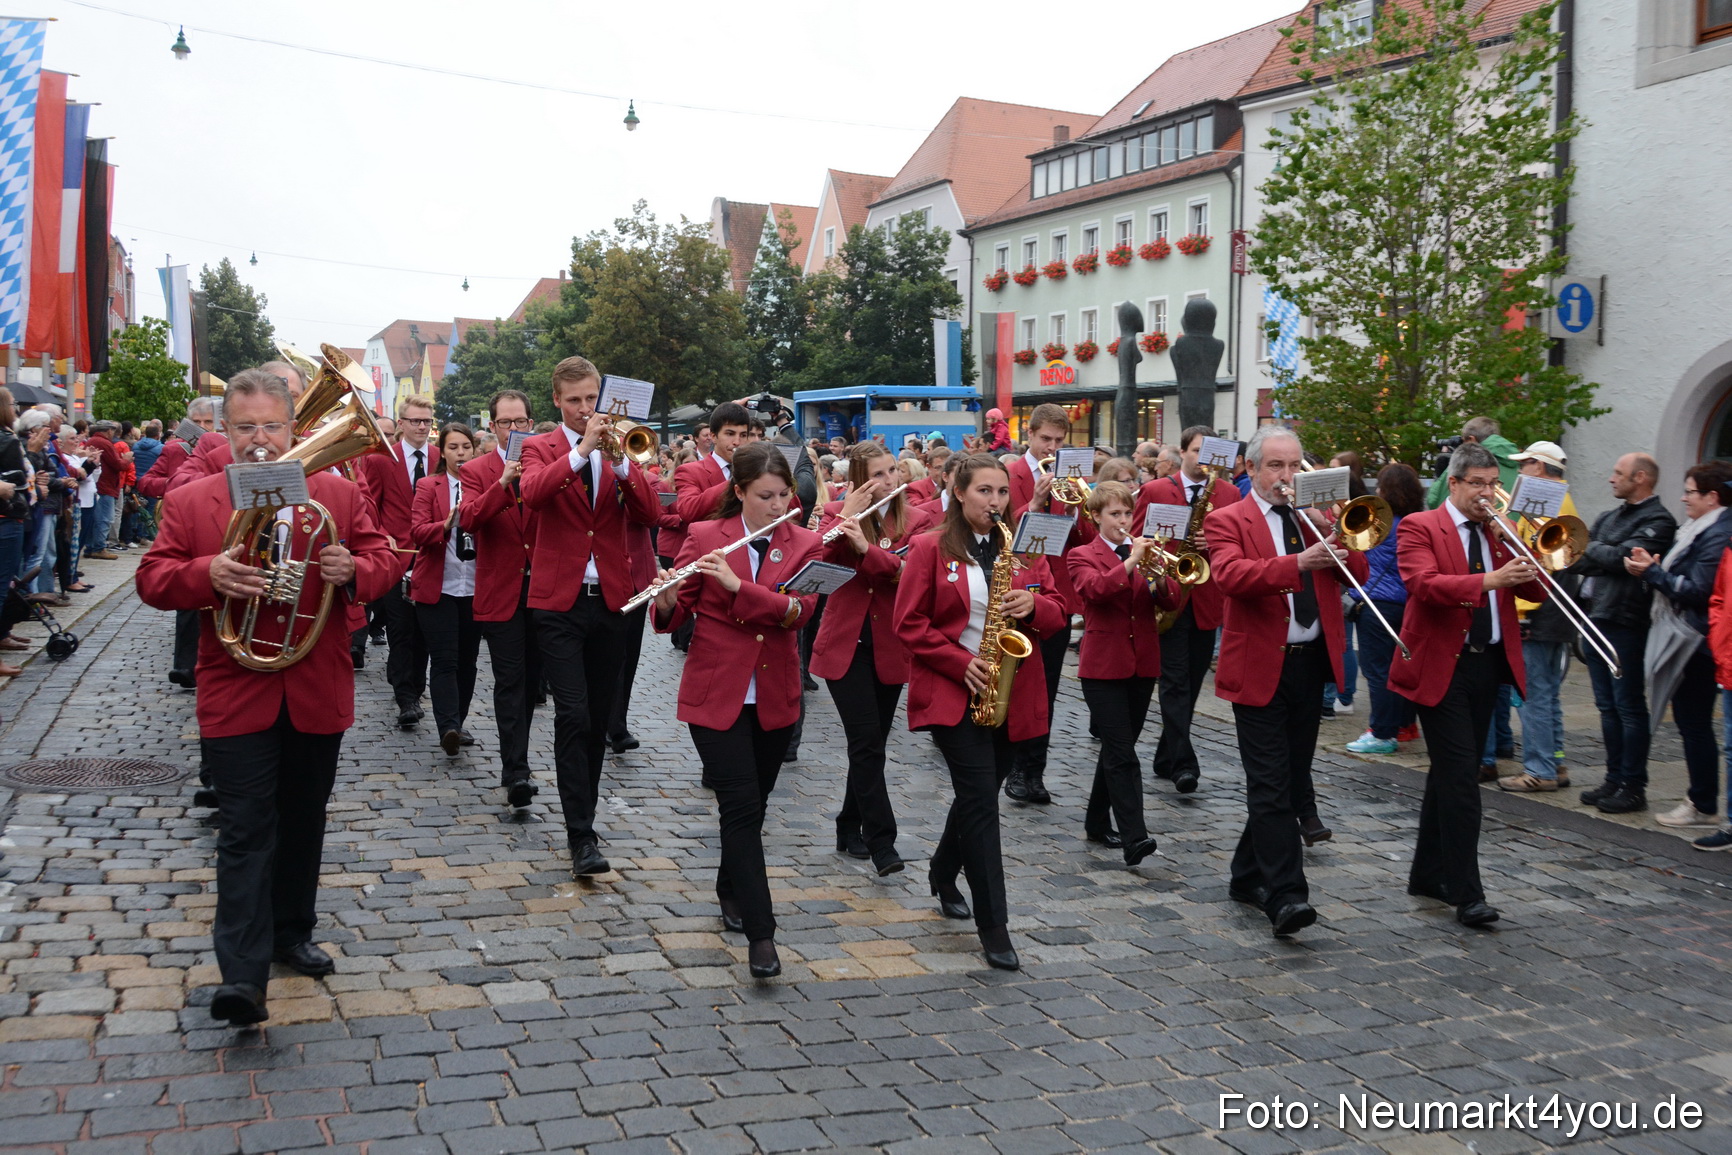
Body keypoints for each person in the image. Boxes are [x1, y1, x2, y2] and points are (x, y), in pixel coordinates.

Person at [135, 368, 400, 1024]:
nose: (260, 439)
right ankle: (243, 976)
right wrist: (207, 572)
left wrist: (355, 570)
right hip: (236, 690)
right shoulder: (194, 500)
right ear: (224, 430)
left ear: (293, 428)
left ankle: (290, 930)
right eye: (246, 426)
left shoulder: (335, 492)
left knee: (304, 817)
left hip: (315, 683)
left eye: (272, 426)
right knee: (246, 828)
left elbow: (386, 558)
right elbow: (152, 577)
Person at [652, 443, 820, 979]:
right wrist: (666, 597)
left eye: (783, 495)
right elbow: (677, 609)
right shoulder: (705, 537)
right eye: (765, 496)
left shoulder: (807, 543)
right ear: (740, 493)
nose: (777, 505)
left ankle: (729, 885)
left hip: (774, 696)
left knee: (754, 806)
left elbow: (798, 613)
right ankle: (762, 936)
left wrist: (737, 586)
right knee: (741, 809)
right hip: (716, 694)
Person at [894, 453, 1067, 970]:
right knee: (981, 802)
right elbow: (908, 623)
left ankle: (943, 870)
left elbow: (1059, 609)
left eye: (1000, 493)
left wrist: (1035, 606)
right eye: (983, 492)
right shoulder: (929, 548)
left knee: (980, 793)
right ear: (959, 492)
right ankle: (995, 926)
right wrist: (958, 662)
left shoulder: (1024, 545)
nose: (994, 502)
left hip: (1011, 691)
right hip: (955, 691)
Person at [1207, 426, 1366, 937]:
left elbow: (1358, 572)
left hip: (1310, 664)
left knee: (1290, 781)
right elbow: (1231, 576)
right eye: (1276, 466)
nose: (1287, 476)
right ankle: (1287, 896)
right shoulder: (1226, 517)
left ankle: (1245, 874)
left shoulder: (1313, 519)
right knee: (1271, 785)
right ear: (1252, 469)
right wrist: (1297, 562)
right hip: (1258, 664)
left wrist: (1337, 531)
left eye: (1295, 466)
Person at [1389, 442, 1546, 929]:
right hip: (1441, 665)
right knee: (1462, 777)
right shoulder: (1421, 526)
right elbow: (1424, 585)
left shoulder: (1498, 532)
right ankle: (1467, 892)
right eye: (1477, 484)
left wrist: (1524, 546)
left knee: (1450, 772)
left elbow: (1535, 591)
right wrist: (1488, 579)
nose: (1486, 493)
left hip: (1487, 665)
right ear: (1453, 484)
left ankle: (1427, 873)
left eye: (1493, 484)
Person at [520, 356, 663, 877]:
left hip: (611, 601)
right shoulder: (541, 446)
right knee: (573, 714)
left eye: (591, 399)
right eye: (574, 400)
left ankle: (587, 817)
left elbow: (651, 515)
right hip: (557, 602)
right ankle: (581, 834)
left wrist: (623, 464)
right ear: (557, 400)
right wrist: (581, 451)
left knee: (598, 718)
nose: (585, 409)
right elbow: (534, 494)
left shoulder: (620, 447)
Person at [812, 442, 937, 875]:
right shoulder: (838, 514)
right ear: (860, 480)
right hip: (844, 643)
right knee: (865, 743)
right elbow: (820, 563)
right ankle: (882, 841)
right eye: (879, 475)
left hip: (889, 644)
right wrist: (847, 516)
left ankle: (848, 825)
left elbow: (911, 576)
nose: (889, 482)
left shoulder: (919, 520)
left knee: (873, 746)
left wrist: (868, 550)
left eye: (893, 472)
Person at [1067, 480, 1179, 865]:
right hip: (1102, 665)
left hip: (1142, 661)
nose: (1123, 520)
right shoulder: (1082, 554)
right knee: (1121, 751)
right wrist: (1130, 561)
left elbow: (1173, 598)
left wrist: (1160, 575)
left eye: (1128, 513)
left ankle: (1096, 822)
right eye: (1114, 514)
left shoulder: (1148, 554)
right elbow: (1095, 591)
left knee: (1119, 748)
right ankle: (1135, 837)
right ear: (1096, 517)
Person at [1132, 424, 1242, 794]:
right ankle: (1183, 763)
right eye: (1196, 451)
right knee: (1175, 683)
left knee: (1191, 685)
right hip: (1168, 597)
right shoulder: (1157, 490)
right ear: (1182, 453)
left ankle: (1166, 756)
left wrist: (1215, 542)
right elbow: (1136, 542)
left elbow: (1240, 546)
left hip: (1206, 599)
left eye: (1209, 452)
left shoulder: (1229, 493)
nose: (1203, 459)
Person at [1623, 460, 1732, 828]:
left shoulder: (1716, 533)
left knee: (1695, 724)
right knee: (1692, 724)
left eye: (1690, 491)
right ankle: (1701, 799)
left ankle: (1702, 803)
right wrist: (1655, 568)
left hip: (1696, 642)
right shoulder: (1701, 528)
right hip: (1693, 637)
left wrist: (1652, 572)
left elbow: (1699, 590)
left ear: (1712, 497)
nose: (1684, 498)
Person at [1568, 452, 1677, 814]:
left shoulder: (1659, 520)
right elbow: (1579, 559)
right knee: (1607, 706)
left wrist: (1600, 550)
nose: (1612, 478)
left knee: (1629, 706)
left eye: (1619, 473)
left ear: (1641, 478)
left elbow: (1626, 556)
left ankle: (1634, 785)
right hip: (1598, 617)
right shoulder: (1609, 516)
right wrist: (1608, 554)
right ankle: (1613, 779)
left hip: (1628, 621)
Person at [1002, 403, 1094, 804]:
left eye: (1059, 441)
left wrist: (1077, 508)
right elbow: (999, 528)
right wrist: (1035, 505)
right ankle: (1012, 768)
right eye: (1045, 440)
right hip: (1014, 590)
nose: (1051, 448)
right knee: (1015, 684)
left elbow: (1087, 540)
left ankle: (1034, 771)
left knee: (1047, 688)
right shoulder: (1009, 475)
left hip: (1056, 598)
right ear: (1030, 437)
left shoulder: (1069, 480)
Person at [459, 390, 543, 809]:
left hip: (545, 590)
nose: (515, 429)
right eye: (506, 423)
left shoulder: (547, 465)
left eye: (521, 422)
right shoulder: (476, 470)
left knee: (532, 684)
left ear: (531, 422)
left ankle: (521, 760)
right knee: (510, 681)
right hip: (501, 592)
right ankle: (516, 771)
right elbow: (469, 518)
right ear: (492, 427)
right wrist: (503, 483)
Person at [1496, 442, 1581, 792]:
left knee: (1534, 696)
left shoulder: (1544, 504)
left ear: (1540, 467)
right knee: (1547, 695)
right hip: (1553, 614)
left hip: (1537, 613)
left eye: (1525, 464)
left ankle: (1539, 769)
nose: (1519, 472)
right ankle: (1555, 763)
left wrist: (1507, 531)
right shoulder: (1562, 500)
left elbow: (1536, 564)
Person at [357, 393, 440, 725]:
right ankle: (405, 696)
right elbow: (368, 503)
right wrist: (379, 535)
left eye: (427, 421)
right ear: (401, 423)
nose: (422, 427)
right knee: (401, 628)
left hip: (433, 556)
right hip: (397, 557)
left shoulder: (438, 455)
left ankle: (415, 688)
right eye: (415, 421)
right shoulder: (380, 458)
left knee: (424, 631)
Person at [410, 423, 483, 757]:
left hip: (475, 586)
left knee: (467, 661)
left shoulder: (483, 486)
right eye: (453, 447)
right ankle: (448, 726)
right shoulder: (429, 485)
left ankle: (460, 721)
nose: (460, 453)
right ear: (443, 452)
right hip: (438, 587)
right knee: (444, 660)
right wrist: (446, 524)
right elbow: (417, 532)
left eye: (466, 447)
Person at [1345, 464, 1424, 756]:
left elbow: (1351, 546)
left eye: (1380, 485)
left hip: (1376, 603)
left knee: (1378, 672)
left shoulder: (1380, 523)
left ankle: (1381, 732)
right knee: (1401, 668)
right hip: (1405, 603)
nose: (1376, 490)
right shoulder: (1416, 521)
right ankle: (1405, 725)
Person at [664, 402, 754, 652]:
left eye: (743, 435)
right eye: (730, 434)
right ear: (712, 437)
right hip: (711, 562)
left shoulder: (758, 468)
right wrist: (737, 479)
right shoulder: (691, 471)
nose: (737, 441)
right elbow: (689, 510)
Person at [1320, 451, 1365, 719]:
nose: (1328, 472)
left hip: (1344, 582)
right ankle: (1336, 696)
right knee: (1342, 641)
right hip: (1340, 581)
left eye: (1334, 469)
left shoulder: (1352, 504)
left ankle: (1339, 696)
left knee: (1342, 642)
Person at [1425, 415, 1519, 509]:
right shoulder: (1523, 464)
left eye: (1463, 441)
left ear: (1471, 440)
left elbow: (1434, 500)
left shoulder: (1465, 462)